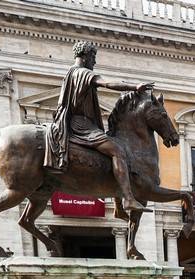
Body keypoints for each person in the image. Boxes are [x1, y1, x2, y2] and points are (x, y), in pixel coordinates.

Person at [44, 41, 153, 211]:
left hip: (76, 123)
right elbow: (108, 84)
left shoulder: (70, 73)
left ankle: (118, 203)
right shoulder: (83, 73)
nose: (94, 62)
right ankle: (128, 199)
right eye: (93, 57)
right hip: (81, 126)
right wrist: (134, 86)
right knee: (117, 150)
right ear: (86, 56)